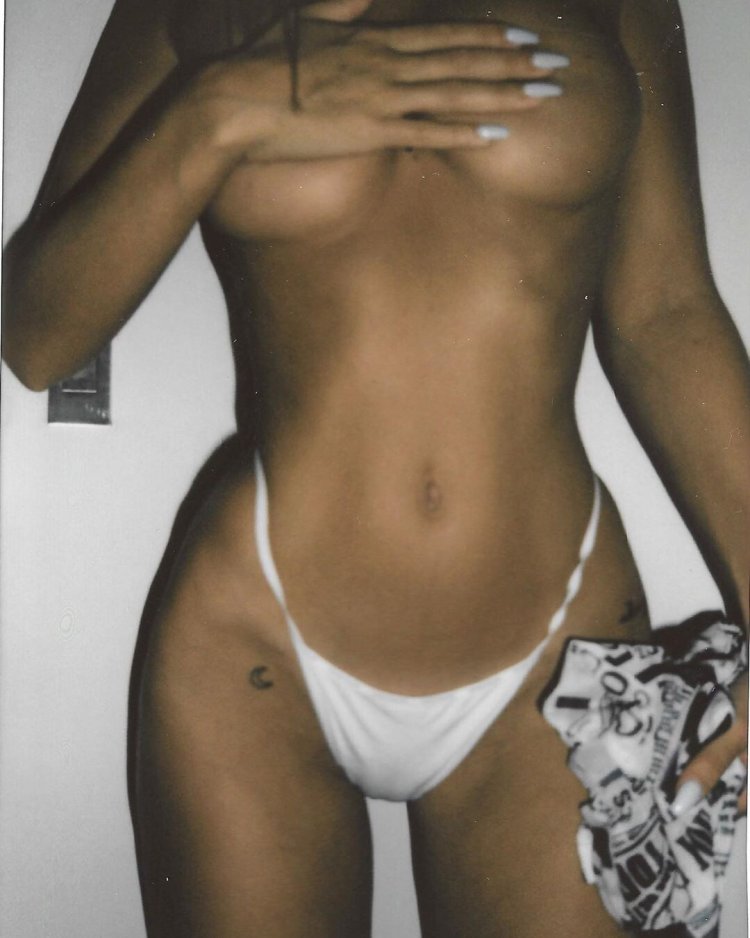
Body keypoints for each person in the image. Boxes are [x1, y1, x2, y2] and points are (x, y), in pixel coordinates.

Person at [2, 0, 748, 934]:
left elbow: (666, 311)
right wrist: (223, 104)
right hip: (258, 642)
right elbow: (37, 331)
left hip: (559, 658)